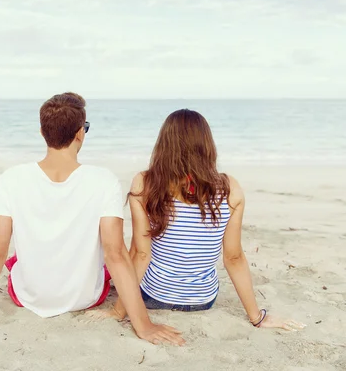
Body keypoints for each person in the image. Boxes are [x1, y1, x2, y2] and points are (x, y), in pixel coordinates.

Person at [0, 93, 184, 345]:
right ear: (80, 133)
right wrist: (144, 325)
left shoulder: (12, 179)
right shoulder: (104, 180)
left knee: (14, 259)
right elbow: (115, 253)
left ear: (42, 132)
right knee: (109, 263)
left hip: (28, 298)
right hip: (86, 298)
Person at [88, 109, 305, 332]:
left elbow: (141, 254)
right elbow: (233, 257)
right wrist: (256, 317)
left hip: (153, 296)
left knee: (112, 271)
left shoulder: (145, 183)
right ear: (207, 146)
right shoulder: (230, 189)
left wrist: (118, 311)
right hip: (203, 300)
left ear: (164, 145)